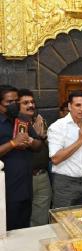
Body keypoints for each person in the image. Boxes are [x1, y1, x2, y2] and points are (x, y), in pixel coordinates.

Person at [48, 91, 82, 208]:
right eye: (78, 105)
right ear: (69, 106)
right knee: (62, 220)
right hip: (65, 182)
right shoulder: (57, 127)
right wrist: (80, 140)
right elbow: (55, 159)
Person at [0, 85, 42, 230]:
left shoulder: (22, 119)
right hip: (6, 189)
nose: (13, 105)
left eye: (15, 101)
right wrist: (12, 143)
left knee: (24, 228)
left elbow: (38, 146)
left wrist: (30, 141)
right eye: (9, 102)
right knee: (8, 231)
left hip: (25, 185)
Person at [18, 89, 52, 226]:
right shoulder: (14, 124)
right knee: (21, 219)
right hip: (23, 178)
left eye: (32, 102)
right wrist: (36, 136)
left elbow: (50, 150)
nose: (31, 105)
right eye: (25, 103)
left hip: (42, 177)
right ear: (16, 105)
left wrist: (43, 136)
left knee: (41, 220)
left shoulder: (41, 121)